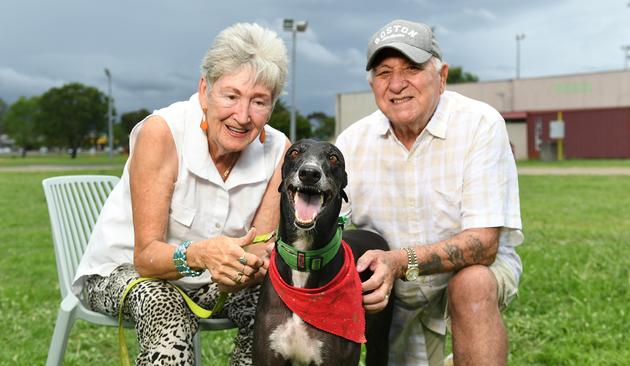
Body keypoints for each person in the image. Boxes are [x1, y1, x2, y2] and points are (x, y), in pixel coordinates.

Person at [72, 23, 290, 365]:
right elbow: (146, 258)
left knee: (279, 301)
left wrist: (247, 269)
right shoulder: (163, 131)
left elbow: (259, 249)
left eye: (259, 101)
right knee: (168, 308)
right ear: (205, 90)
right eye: (231, 96)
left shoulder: (279, 150)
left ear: (272, 106)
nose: (243, 116)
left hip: (210, 283)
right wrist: (202, 255)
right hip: (125, 272)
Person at [336, 19, 523, 366]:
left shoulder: (481, 123)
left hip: (462, 271)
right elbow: (332, 233)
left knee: (473, 284)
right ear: (372, 83)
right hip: (390, 286)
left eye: (412, 68)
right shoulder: (350, 143)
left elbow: (484, 244)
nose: (396, 84)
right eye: (383, 72)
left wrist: (399, 261)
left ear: (442, 76)